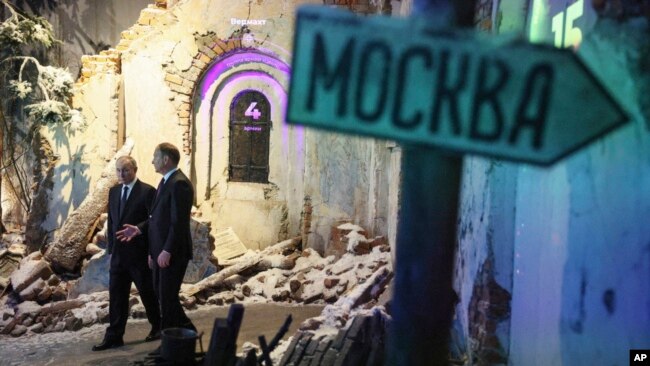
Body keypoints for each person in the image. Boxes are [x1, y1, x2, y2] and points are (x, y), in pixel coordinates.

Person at [117, 143, 196, 337]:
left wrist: (167, 250)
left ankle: (175, 341)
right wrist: (139, 230)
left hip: (173, 252)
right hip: (160, 251)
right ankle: (183, 337)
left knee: (167, 298)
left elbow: (178, 223)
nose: (152, 160)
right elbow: (157, 219)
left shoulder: (179, 183)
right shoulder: (165, 182)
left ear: (166, 159)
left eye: (155, 156)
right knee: (164, 297)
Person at [92, 156, 161, 351]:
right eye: (119, 170)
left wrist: (150, 251)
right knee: (117, 296)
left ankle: (158, 325)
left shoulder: (147, 191)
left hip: (139, 253)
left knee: (147, 293)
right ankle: (114, 335)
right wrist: (111, 250)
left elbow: (155, 221)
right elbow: (113, 223)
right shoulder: (113, 192)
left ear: (135, 170)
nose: (122, 174)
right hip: (119, 256)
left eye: (126, 170)